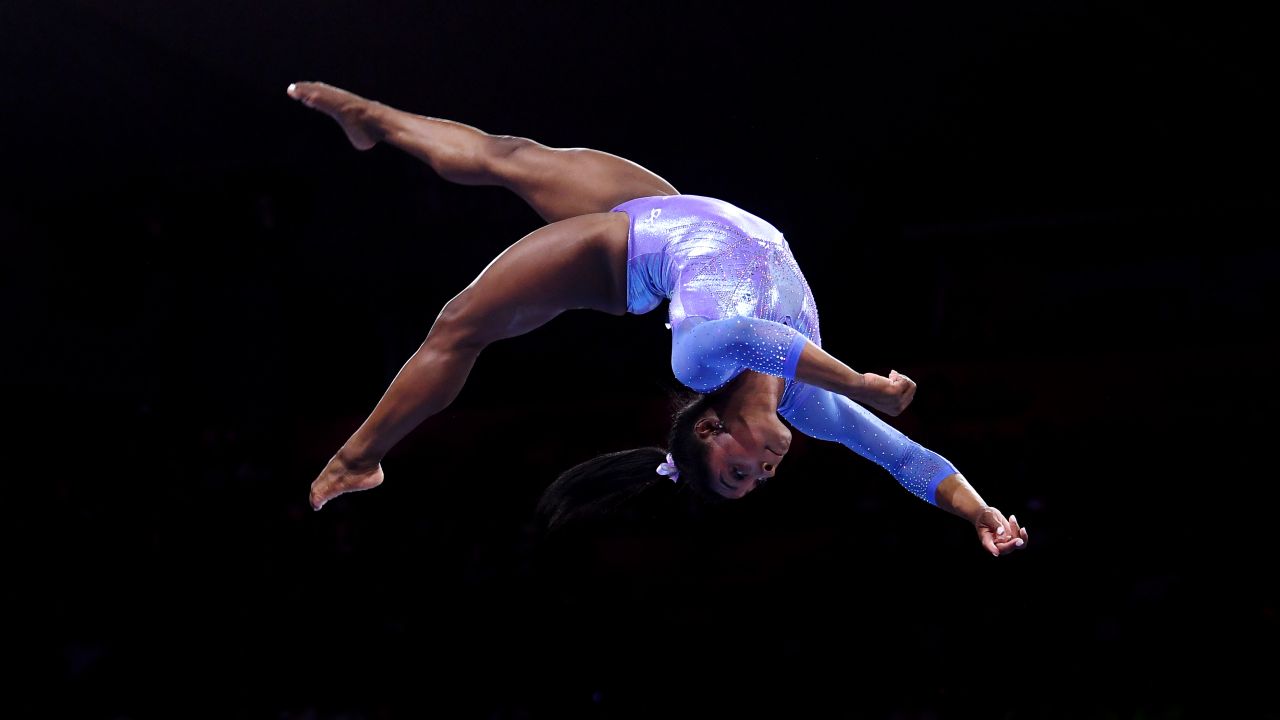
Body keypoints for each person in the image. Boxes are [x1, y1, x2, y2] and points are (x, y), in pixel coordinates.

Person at [288, 81, 1028, 558]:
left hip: (622, 253)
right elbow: (905, 460)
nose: (765, 471)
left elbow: (758, 338)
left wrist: (861, 383)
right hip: (674, 209)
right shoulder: (804, 402)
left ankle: (357, 458)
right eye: (758, 480)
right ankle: (373, 119)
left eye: (739, 472)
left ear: (710, 429)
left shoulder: (698, 366)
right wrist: (980, 513)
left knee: (459, 326)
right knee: (506, 155)